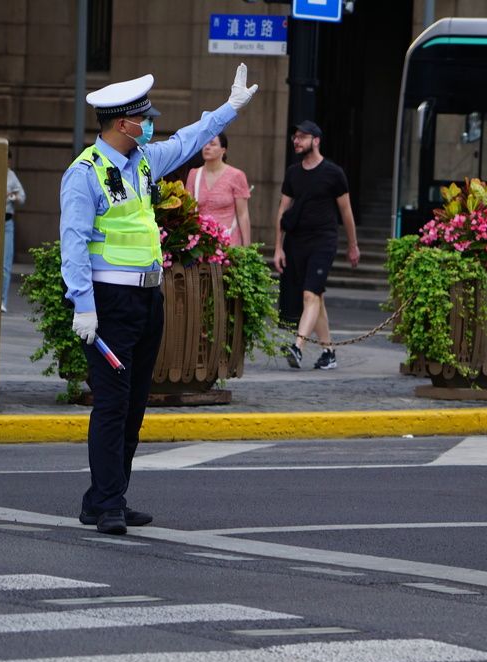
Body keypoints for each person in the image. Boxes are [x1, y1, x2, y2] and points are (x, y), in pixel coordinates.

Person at [59, 64, 258, 535]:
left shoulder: (144, 161)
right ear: (123, 123)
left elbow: (190, 139)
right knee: (111, 404)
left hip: (148, 301)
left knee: (132, 405)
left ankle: (108, 496)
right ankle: (106, 502)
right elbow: (72, 242)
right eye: (143, 118)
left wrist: (228, 110)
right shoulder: (84, 173)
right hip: (108, 305)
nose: (150, 124)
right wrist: (82, 304)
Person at [273, 120, 359, 371]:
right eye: (295, 137)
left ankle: (297, 347)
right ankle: (328, 352)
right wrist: (278, 247)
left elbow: (346, 211)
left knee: (309, 294)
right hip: (297, 241)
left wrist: (352, 245)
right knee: (316, 296)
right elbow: (282, 210)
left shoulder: (334, 173)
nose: (296, 141)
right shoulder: (292, 173)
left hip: (324, 240)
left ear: (316, 140)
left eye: (302, 137)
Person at [186, 133, 251, 246]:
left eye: (213, 144)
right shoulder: (194, 174)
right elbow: (188, 211)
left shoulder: (236, 176)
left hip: (228, 243)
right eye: (205, 143)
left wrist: (247, 248)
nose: (207, 147)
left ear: (223, 150)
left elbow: (243, 214)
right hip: (201, 244)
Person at [3, 152, 26, 312]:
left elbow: (22, 197)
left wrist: (10, 195)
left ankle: (2, 300)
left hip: (6, 221)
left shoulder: (11, 176)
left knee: (5, 263)